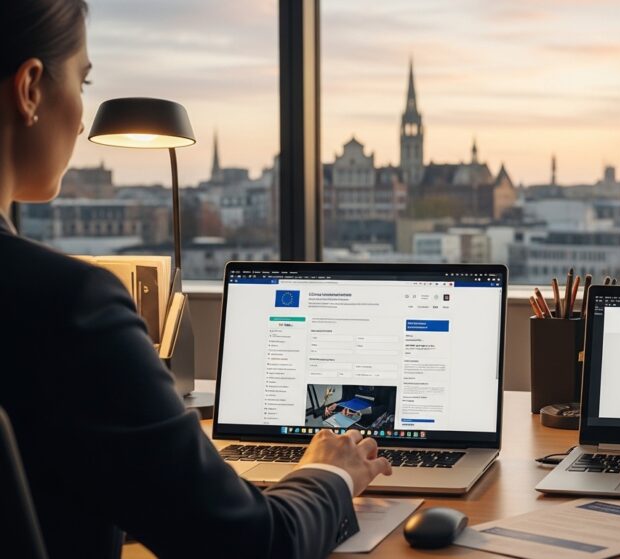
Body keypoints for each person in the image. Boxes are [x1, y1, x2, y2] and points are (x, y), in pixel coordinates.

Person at [0, 1, 391, 557]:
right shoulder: (69, 308)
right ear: (31, 88)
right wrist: (331, 473)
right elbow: (256, 545)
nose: (84, 117)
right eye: (83, 81)